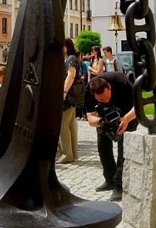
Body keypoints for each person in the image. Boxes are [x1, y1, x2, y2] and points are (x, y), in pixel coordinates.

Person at [87, 71, 138, 202]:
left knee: (123, 151)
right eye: (101, 100)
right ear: (94, 95)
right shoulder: (89, 89)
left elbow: (139, 106)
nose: (106, 100)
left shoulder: (122, 82)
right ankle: (109, 179)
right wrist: (101, 122)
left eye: (107, 96)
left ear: (109, 87)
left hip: (128, 115)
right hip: (105, 118)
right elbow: (90, 117)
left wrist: (125, 119)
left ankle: (119, 186)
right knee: (102, 147)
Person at [59, 38, 81, 164]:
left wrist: (64, 92)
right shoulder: (71, 58)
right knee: (71, 124)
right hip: (71, 96)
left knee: (63, 125)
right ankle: (72, 153)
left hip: (68, 96)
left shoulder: (70, 58)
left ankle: (66, 154)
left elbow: (71, 75)